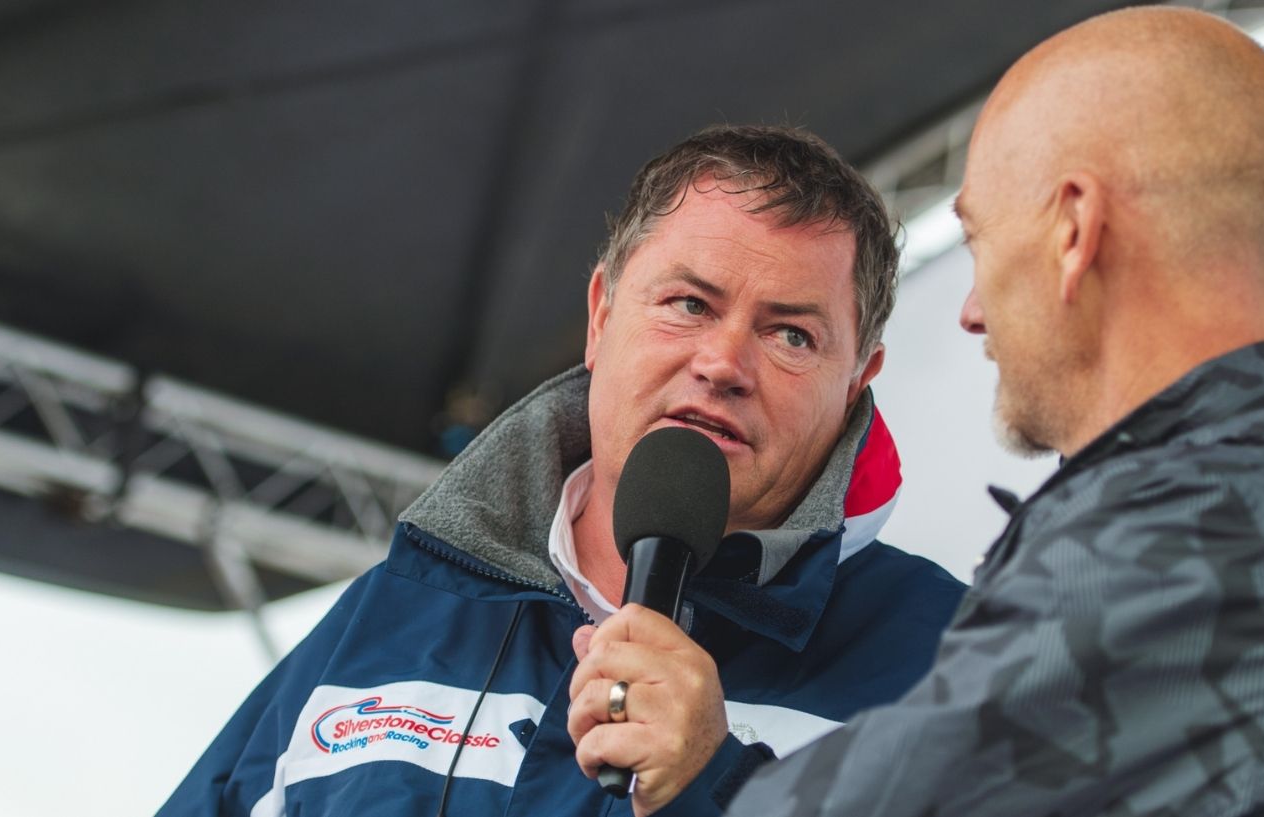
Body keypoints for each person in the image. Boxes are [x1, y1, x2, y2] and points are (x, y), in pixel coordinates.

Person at [725, 8, 1264, 815]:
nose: (971, 310)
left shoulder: (1192, 542)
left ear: (1075, 229)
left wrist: (704, 773)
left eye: (979, 241)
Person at [156, 125, 966, 817]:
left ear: (858, 380)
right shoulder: (395, 611)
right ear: (601, 315)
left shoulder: (953, 656)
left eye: (791, 334)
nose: (722, 362)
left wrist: (714, 784)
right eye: (689, 303)